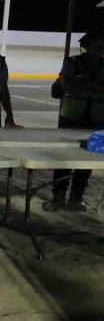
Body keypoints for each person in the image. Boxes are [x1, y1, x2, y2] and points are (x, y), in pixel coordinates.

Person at [44, 28, 104, 211]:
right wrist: (96, 92)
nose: (100, 49)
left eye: (103, 46)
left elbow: (74, 84)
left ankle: (77, 197)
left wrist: (83, 83)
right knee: (64, 156)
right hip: (71, 115)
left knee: (88, 158)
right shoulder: (71, 62)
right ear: (86, 46)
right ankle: (58, 196)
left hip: (98, 117)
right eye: (96, 45)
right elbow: (66, 85)